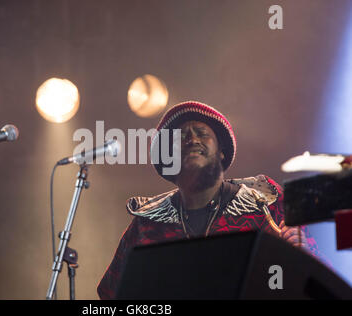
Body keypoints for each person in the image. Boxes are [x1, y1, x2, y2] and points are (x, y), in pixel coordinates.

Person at [97, 101, 320, 300]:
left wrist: (299, 260)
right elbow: (111, 294)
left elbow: (307, 285)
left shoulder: (266, 204)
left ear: (221, 151)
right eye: (182, 137)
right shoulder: (145, 225)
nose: (192, 139)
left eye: (202, 133)